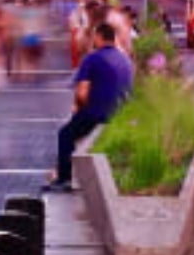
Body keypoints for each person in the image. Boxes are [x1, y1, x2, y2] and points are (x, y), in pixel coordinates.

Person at [43, 17, 132, 192]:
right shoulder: (125, 60)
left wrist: (77, 110)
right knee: (79, 132)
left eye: (94, 37)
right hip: (121, 112)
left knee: (66, 134)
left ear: (98, 37)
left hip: (98, 112)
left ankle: (64, 179)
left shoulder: (92, 59)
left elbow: (82, 92)